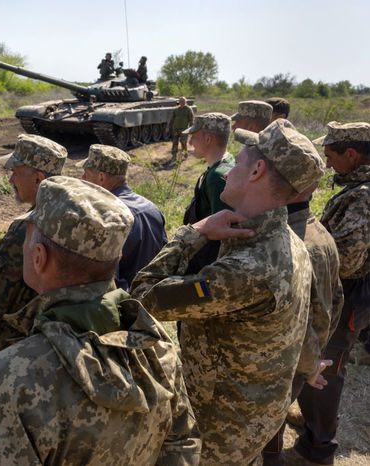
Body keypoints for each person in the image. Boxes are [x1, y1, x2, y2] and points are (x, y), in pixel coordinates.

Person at [0, 176, 202, 465]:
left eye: (28, 234)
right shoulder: (158, 351)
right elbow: (184, 444)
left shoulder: (10, 376)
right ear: (116, 256)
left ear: (39, 257)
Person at [131, 119, 325, 465]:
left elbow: (144, 296)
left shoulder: (248, 268)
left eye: (238, 160)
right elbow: (305, 320)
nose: (231, 165)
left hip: (218, 430)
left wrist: (194, 232)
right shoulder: (290, 241)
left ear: (257, 171)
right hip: (252, 417)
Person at [293, 121, 370, 465]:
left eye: (330, 156)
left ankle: (319, 446)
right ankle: (313, 427)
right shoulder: (358, 189)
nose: (326, 165)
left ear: (351, 155)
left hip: (350, 293)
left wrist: (313, 251)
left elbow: (349, 261)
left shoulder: (363, 196)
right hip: (351, 290)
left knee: (328, 367)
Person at [261, 179, 344, 466]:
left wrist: (309, 364)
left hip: (283, 365)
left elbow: (309, 316)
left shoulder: (292, 243)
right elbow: (335, 302)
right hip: (296, 362)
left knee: (268, 439)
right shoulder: (315, 231)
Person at [0, 134, 67, 355]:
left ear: (38, 179)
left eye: (15, 173)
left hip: (23, 344)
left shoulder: (27, 229)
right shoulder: (74, 217)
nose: (10, 181)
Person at [77, 144, 167, 290]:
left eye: (86, 174)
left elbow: (107, 279)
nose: (82, 178)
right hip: (153, 297)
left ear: (101, 178)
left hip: (126, 303)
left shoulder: (106, 217)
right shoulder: (152, 208)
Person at [181, 112, 234, 274]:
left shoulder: (218, 177)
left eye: (193, 137)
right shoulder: (226, 162)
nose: (190, 143)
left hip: (207, 262)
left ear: (208, 139)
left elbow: (223, 235)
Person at [167, 97, 194, 162]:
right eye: (181, 101)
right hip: (176, 129)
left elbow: (191, 119)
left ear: (186, 102)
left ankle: (185, 154)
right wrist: (168, 127)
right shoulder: (176, 110)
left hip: (184, 130)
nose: (182, 103)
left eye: (183, 101)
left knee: (183, 143)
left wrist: (191, 129)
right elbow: (172, 119)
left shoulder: (188, 109)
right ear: (179, 102)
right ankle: (174, 156)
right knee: (175, 143)